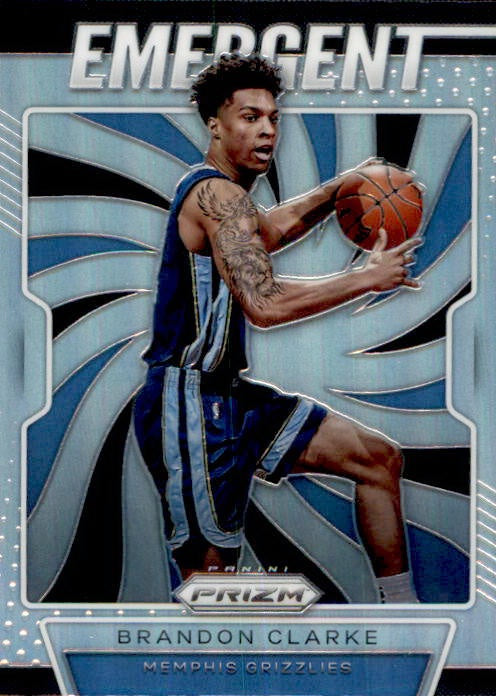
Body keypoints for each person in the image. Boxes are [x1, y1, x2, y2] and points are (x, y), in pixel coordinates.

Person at [133, 53, 421, 603]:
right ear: (215, 125)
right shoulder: (216, 195)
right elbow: (264, 304)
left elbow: (267, 231)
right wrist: (366, 278)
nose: (267, 129)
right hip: (188, 405)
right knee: (211, 583)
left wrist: (340, 188)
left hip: (229, 396)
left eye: (273, 117)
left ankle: (404, 614)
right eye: (249, 117)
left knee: (377, 459)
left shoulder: (230, 198)